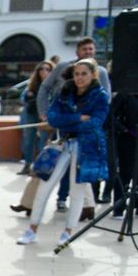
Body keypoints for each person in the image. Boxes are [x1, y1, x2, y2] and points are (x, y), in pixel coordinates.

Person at [17, 58, 109, 246]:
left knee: (77, 192)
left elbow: (96, 122)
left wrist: (68, 120)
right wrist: (78, 118)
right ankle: (32, 229)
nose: (80, 78)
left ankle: (68, 232)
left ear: (92, 75)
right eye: (77, 73)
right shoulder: (65, 91)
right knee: (44, 186)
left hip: (87, 148)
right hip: (62, 143)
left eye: (84, 74)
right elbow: (53, 117)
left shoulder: (100, 95)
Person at [38, 38, 112, 216]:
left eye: (91, 49)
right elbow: (45, 88)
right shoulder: (63, 67)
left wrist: (88, 121)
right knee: (55, 167)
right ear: (77, 52)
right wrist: (45, 112)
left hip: (87, 133)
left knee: (82, 172)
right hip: (64, 128)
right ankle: (62, 199)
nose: (89, 52)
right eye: (85, 49)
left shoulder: (100, 72)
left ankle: (85, 207)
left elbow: (106, 100)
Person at [17, 61, 53, 176]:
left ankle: (39, 167)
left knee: (43, 141)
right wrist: (29, 98)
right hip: (31, 113)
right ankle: (28, 164)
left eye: (47, 69)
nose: (44, 71)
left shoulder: (54, 84)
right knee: (28, 140)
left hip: (45, 115)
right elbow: (24, 98)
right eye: (41, 69)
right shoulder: (33, 84)